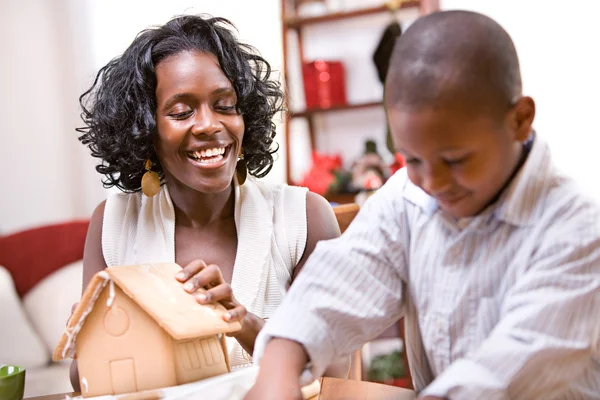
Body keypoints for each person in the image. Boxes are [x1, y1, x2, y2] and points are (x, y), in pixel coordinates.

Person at [245, 10, 600, 400]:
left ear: (520, 120)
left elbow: (497, 380)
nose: (432, 183)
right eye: (413, 159)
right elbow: (339, 284)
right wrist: (280, 362)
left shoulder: (578, 234)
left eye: (456, 160)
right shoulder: (407, 197)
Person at [68, 14, 341, 390]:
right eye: (181, 112)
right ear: (147, 130)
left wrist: (242, 324)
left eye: (226, 105)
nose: (210, 124)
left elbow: (333, 372)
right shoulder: (113, 222)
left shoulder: (304, 217)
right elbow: (82, 375)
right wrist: (93, 336)